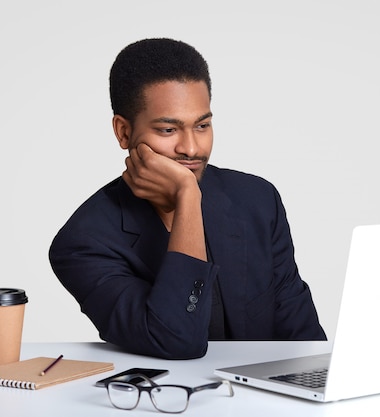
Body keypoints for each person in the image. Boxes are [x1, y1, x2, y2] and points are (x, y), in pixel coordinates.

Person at [49, 38, 326, 360]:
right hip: (159, 404)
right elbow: (176, 341)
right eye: (168, 130)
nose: (192, 148)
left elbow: (305, 339)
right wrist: (188, 198)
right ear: (124, 132)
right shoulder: (83, 242)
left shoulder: (257, 201)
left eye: (202, 125)